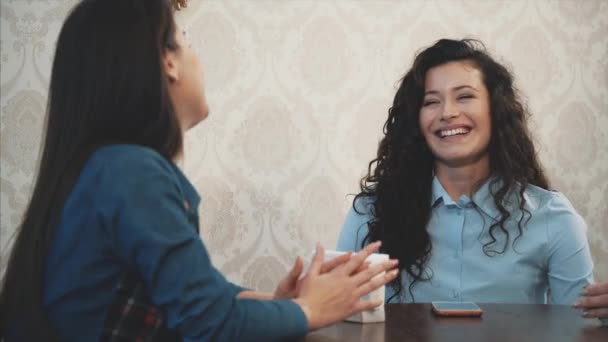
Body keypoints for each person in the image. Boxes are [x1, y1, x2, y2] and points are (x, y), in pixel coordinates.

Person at [0, 0, 399, 341]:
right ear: (167, 61)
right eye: (187, 41)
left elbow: (192, 294)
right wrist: (309, 311)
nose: (197, 57)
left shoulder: (107, 167)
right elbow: (209, 323)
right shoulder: (132, 171)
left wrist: (281, 306)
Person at [337, 38, 596, 308]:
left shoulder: (553, 217)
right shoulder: (370, 212)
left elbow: (580, 329)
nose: (448, 112)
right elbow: (332, 314)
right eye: (431, 102)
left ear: (495, 111)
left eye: (465, 96)